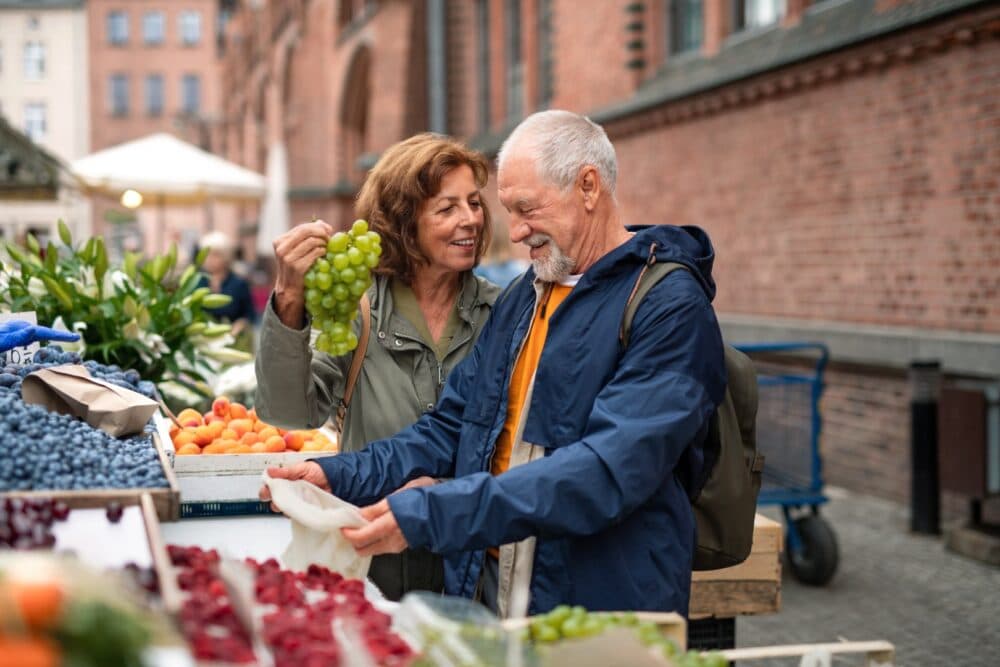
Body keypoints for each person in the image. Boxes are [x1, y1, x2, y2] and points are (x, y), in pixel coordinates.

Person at [261, 111, 726, 617]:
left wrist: (429, 513)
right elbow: (452, 426)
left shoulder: (668, 305)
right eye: (510, 211)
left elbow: (605, 471)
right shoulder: (525, 299)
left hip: (600, 603)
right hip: (495, 589)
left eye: (526, 209)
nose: (517, 232)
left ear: (588, 186)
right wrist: (334, 474)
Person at [254, 133, 501, 600]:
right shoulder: (359, 309)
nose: (470, 219)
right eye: (446, 208)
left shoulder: (502, 313)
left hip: (475, 569)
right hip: (375, 565)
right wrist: (289, 300)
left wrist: (441, 497)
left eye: (474, 203)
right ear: (405, 222)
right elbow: (290, 411)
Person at [196, 232, 258, 343]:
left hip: (232, 340)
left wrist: (239, 327)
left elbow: (250, 315)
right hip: (201, 340)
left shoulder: (239, 284)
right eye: (206, 254)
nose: (209, 259)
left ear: (226, 257)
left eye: (215, 254)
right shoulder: (196, 282)